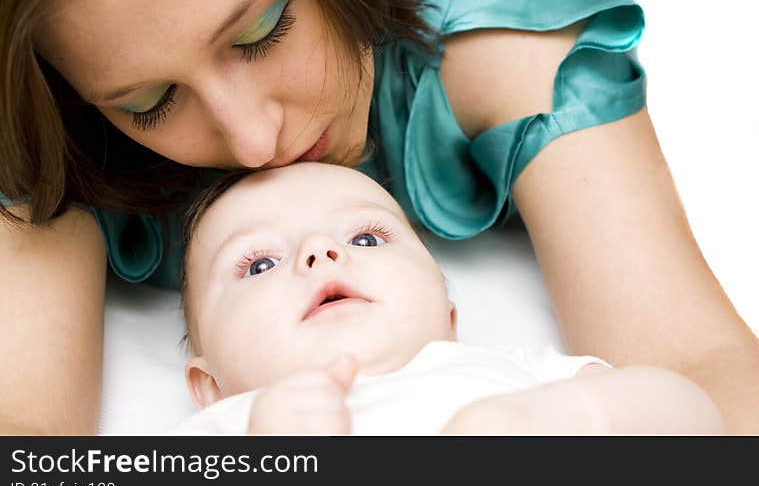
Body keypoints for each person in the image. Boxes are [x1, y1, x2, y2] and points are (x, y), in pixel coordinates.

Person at [0, 0, 759, 435]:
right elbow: (29, 442)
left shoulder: (495, 17)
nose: (253, 140)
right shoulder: (48, 84)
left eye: (263, 29)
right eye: (149, 103)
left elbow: (695, 360)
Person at [172, 162, 725, 435]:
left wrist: (557, 415)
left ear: (450, 317)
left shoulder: (511, 371)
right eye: (260, 264)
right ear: (209, 386)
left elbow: (694, 421)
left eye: (365, 237)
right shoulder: (231, 427)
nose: (319, 252)